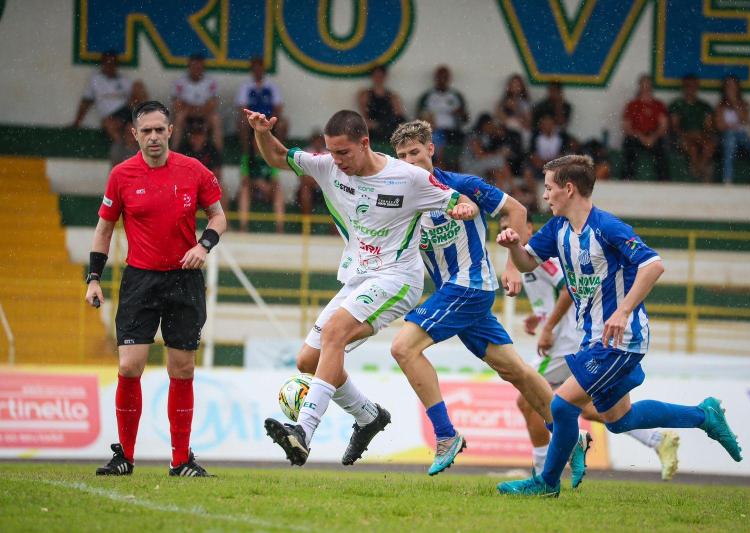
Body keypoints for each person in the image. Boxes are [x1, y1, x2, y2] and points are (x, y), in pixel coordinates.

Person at [495, 154, 742, 497]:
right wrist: (513, 248)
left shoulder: (607, 228)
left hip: (620, 338)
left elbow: (653, 265)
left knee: (561, 405)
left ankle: (546, 483)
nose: (545, 195)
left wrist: (623, 311)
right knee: (618, 419)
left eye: (549, 188)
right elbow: (526, 263)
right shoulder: (558, 229)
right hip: (593, 338)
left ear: (569, 188)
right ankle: (704, 415)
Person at [244, 108, 478, 467]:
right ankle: (369, 416)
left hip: (398, 278)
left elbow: (462, 201)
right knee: (308, 360)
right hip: (358, 277)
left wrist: (464, 210)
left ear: (364, 143)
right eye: (331, 152)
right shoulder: (328, 167)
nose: (337, 160)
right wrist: (262, 132)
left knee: (335, 332)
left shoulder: (408, 178)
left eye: (343, 152)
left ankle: (303, 430)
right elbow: (277, 156)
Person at [389, 120, 578, 477]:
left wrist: (512, 266)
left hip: (469, 286)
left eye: (415, 152)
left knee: (403, 348)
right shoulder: (403, 201)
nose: (410, 161)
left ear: (431, 150)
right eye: (402, 156)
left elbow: (517, 211)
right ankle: (570, 437)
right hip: (455, 293)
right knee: (516, 370)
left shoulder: (463, 185)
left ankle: (446, 434)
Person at [85, 100, 227, 477]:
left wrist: (203, 246)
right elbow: (104, 229)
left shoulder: (193, 170)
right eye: (145, 131)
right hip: (140, 280)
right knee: (129, 366)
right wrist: (94, 278)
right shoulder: (121, 175)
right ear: (134, 134)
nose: (153, 137)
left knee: (182, 369)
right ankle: (125, 457)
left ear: (170, 131)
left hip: (184, 279)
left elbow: (218, 217)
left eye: (159, 130)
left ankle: (181, 460)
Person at [496, 215, 681, 484]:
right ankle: (656, 439)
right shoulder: (527, 261)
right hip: (568, 338)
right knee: (587, 408)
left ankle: (543, 470)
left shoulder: (542, 259)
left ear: (529, 228)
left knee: (528, 398)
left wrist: (548, 328)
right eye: (503, 228)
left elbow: (567, 291)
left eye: (512, 226)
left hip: (564, 342)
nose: (507, 230)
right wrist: (541, 319)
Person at [237, 56, 286, 232]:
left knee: (282, 122)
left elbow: (278, 108)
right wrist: (258, 184)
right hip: (252, 122)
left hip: (267, 122)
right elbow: (241, 108)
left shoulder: (271, 87)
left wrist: (266, 121)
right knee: (241, 122)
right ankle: (243, 226)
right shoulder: (246, 87)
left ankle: (280, 228)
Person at [70, 50, 147, 143]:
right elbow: (86, 102)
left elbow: (136, 97)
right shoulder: (96, 80)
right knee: (108, 123)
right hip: (112, 116)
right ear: (103, 64)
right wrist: (77, 122)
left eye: (113, 63)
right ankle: (122, 147)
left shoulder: (124, 80)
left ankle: (148, 119)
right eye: (107, 62)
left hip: (127, 110)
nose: (110, 65)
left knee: (138, 85)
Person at [715, 75, 750, 185]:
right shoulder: (720, 106)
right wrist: (734, 125)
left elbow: (745, 119)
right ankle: (727, 179)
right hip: (728, 136)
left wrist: (734, 102)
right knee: (730, 141)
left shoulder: (745, 104)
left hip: (743, 135)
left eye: (733, 86)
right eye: (728, 86)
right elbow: (720, 126)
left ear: (738, 88)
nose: (731, 89)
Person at [416, 65, 469, 167]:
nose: (442, 80)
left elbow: (465, 119)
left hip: (452, 131)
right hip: (433, 130)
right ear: (435, 78)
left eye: (445, 77)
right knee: (434, 136)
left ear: (449, 78)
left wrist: (459, 113)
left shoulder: (456, 96)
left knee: (467, 138)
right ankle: (438, 164)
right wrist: (428, 121)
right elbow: (419, 117)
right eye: (440, 77)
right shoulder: (428, 96)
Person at [622, 75, 670, 181]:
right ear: (639, 87)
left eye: (648, 85)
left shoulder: (659, 105)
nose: (646, 88)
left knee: (662, 148)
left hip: (654, 137)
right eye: (643, 85)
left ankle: (664, 181)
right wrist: (640, 137)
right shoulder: (632, 105)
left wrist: (653, 137)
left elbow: (663, 126)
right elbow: (627, 128)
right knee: (628, 145)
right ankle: (627, 179)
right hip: (636, 137)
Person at [668, 74, 716, 182]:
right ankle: (700, 173)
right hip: (683, 137)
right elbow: (674, 127)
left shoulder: (704, 106)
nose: (690, 89)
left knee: (709, 146)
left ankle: (697, 170)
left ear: (697, 87)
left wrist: (700, 135)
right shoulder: (677, 104)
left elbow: (708, 127)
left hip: (700, 136)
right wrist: (689, 135)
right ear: (683, 87)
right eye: (688, 86)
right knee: (693, 149)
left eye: (693, 86)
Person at [171, 54, 223, 151]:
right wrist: (192, 110)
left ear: (203, 68)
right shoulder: (180, 82)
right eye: (194, 67)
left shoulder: (210, 82)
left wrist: (199, 110)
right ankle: (174, 150)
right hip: (187, 114)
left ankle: (218, 153)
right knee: (179, 117)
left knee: (216, 119)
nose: (196, 70)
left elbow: (213, 103)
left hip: (204, 114)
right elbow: (176, 104)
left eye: (199, 67)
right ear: (189, 67)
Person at [357, 65, 406, 144]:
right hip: (373, 127)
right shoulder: (365, 95)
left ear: (385, 77)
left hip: (388, 126)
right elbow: (364, 116)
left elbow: (399, 116)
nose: (378, 78)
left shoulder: (392, 96)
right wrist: (373, 124)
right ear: (372, 77)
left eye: (380, 76)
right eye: (376, 76)